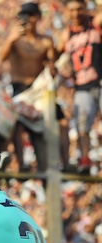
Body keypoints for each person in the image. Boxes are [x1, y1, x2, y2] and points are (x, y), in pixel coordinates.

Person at [0, 1, 68, 172]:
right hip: (19, 88)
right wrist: (12, 38)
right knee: (17, 123)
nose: (27, 20)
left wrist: (52, 68)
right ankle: (21, 162)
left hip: (39, 91)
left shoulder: (46, 41)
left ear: (37, 18)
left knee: (61, 121)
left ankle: (66, 162)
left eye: (30, 16)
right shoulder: (15, 39)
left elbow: (52, 64)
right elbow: (2, 56)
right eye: (24, 16)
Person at [57, 0, 102, 175]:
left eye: (79, 8)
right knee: (83, 126)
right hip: (81, 86)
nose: (76, 13)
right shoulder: (66, 34)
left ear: (85, 9)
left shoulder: (94, 24)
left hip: (99, 81)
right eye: (72, 10)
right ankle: (84, 159)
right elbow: (57, 54)